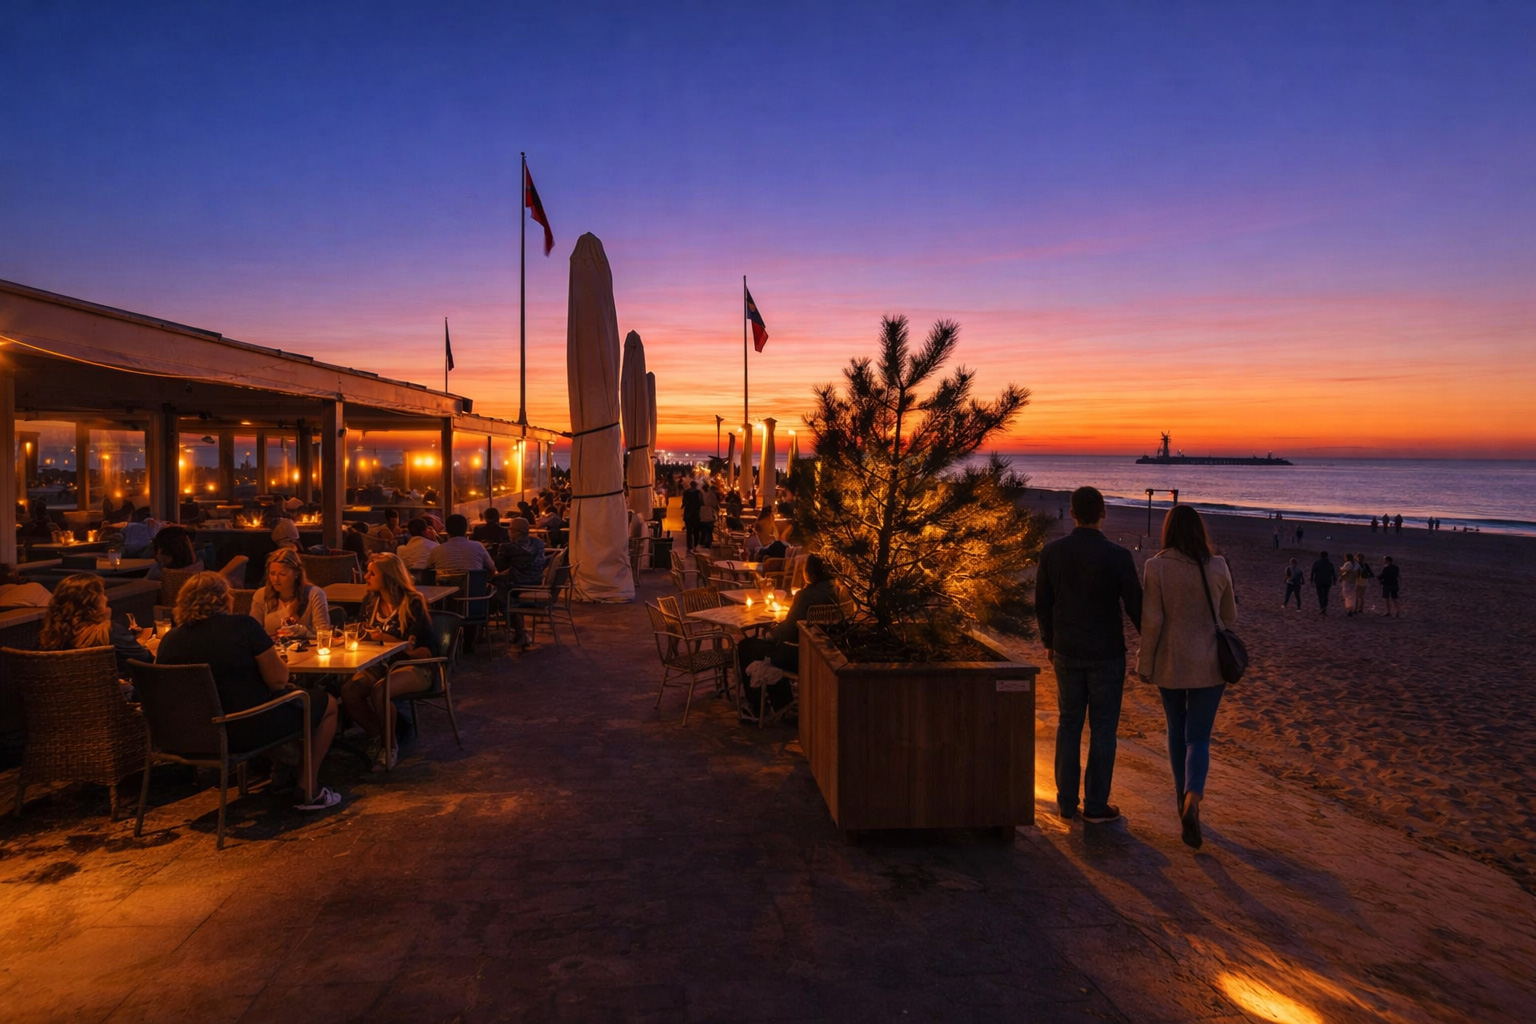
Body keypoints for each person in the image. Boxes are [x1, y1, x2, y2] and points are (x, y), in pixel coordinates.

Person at [156, 572, 341, 809]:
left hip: (182, 736)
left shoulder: (170, 641)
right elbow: (278, 680)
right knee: (326, 704)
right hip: (242, 729)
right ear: (223, 599)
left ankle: (285, 770)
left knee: (284, 703)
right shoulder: (243, 627)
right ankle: (308, 788)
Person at [1034, 486, 1143, 825]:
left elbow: (1042, 604)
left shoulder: (1052, 552)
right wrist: (1151, 643)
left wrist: (1049, 641)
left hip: (1067, 649)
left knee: (1069, 724)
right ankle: (1096, 805)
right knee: (1103, 729)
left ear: (1072, 512)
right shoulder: (1118, 556)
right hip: (1107, 652)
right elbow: (1137, 608)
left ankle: (1067, 802)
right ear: (1103, 513)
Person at [1136, 505, 1236, 850]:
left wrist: (1144, 663)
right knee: (1199, 738)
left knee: (1176, 733)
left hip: (1171, 661)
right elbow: (1229, 615)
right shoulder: (1218, 565)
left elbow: (1152, 622)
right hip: (1209, 664)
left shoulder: (1156, 567)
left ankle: (1182, 802)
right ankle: (1194, 798)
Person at [339, 554, 440, 771]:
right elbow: (365, 635)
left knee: (380, 692)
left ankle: (389, 746)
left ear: (388, 576)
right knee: (349, 691)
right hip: (379, 665)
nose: (365, 576)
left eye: (371, 573)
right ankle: (378, 736)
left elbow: (426, 650)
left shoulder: (412, 602)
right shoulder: (370, 601)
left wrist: (389, 641)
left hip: (416, 667)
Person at [735, 555, 838, 719]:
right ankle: (782, 703)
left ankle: (757, 706)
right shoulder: (835, 590)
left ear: (810, 572)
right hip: (824, 652)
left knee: (747, 646)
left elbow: (789, 629)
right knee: (768, 648)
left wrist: (770, 634)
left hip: (799, 654)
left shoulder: (807, 595)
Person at [37, 573, 154, 678]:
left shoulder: (52, 636)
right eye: (102, 593)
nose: (106, 598)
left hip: (63, 699)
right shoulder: (108, 632)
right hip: (112, 699)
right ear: (92, 603)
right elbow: (146, 661)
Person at [249, 548, 331, 639]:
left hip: (306, 651)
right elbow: (252, 633)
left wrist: (300, 631)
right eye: (272, 573)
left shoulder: (314, 594)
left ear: (296, 574)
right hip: (273, 651)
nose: (275, 579)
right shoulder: (261, 595)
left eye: (282, 574)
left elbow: (324, 633)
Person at [493, 518, 549, 648]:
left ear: (516, 531)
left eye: (510, 528)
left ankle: (517, 628)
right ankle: (518, 628)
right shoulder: (538, 543)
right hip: (536, 581)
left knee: (495, 594)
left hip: (517, 584)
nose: (508, 531)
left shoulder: (508, 547)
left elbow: (499, 567)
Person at [426, 514, 496, 574]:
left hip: (447, 589)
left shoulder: (436, 550)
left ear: (446, 530)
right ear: (466, 529)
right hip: (474, 589)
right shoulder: (478, 547)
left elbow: (427, 570)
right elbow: (492, 569)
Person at [681, 481, 704, 551]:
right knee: (696, 531)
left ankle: (689, 546)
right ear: (696, 485)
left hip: (688, 514)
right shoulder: (699, 493)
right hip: (696, 514)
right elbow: (701, 503)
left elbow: (684, 503)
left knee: (689, 531)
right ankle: (696, 545)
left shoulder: (686, 492)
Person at [699, 482, 718, 549]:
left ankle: (702, 543)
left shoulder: (705, 495)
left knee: (704, 531)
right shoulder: (711, 495)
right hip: (709, 516)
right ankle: (707, 544)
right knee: (709, 532)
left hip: (704, 516)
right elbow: (715, 504)